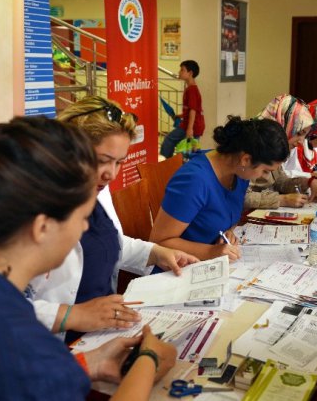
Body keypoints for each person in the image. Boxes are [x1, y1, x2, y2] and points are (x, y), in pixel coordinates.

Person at [0, 117, 176, 400]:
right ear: (42, 227)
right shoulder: (18, 341)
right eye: (83, 217)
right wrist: (147, 360)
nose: (87, 228)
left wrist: (91, 362)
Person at [27, 96, 197, 344]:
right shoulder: (27, 207)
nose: (111, 174)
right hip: (54, 346)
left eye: (119, 163)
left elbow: (107, 243)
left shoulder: (94, 191)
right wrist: (73, 315)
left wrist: (156, 252)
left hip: (101, 334)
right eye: (103, 160)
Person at [150, 116, 290, 262]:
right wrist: (212, 252)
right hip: (178, 267)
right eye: (265, 171)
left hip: (211, 265)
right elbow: (159, 242)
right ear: (246, 160)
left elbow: (227, 213)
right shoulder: (194, 180)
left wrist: (227, 232)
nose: (265, 177)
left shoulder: (238, 173)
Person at [245, 94, 317, 209]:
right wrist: (282, 199)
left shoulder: (275, 148)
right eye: (299, 133)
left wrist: (309, 182)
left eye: (305, 136)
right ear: (282, 124)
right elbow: (242, 197)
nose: (301, 142)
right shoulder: (253, 146)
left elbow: (280, 181)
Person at [160, 60, 205, 158]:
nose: (179, 72)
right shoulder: (189, 88)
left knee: (169, 140)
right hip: (193, 124)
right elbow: (190, 109)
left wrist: (189, 129)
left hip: (191, 125)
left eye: (182, 70)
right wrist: (180, 115)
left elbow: (193, 110)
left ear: (190, 73)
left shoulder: (192, 90)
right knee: (190, 148)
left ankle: (166, 163)